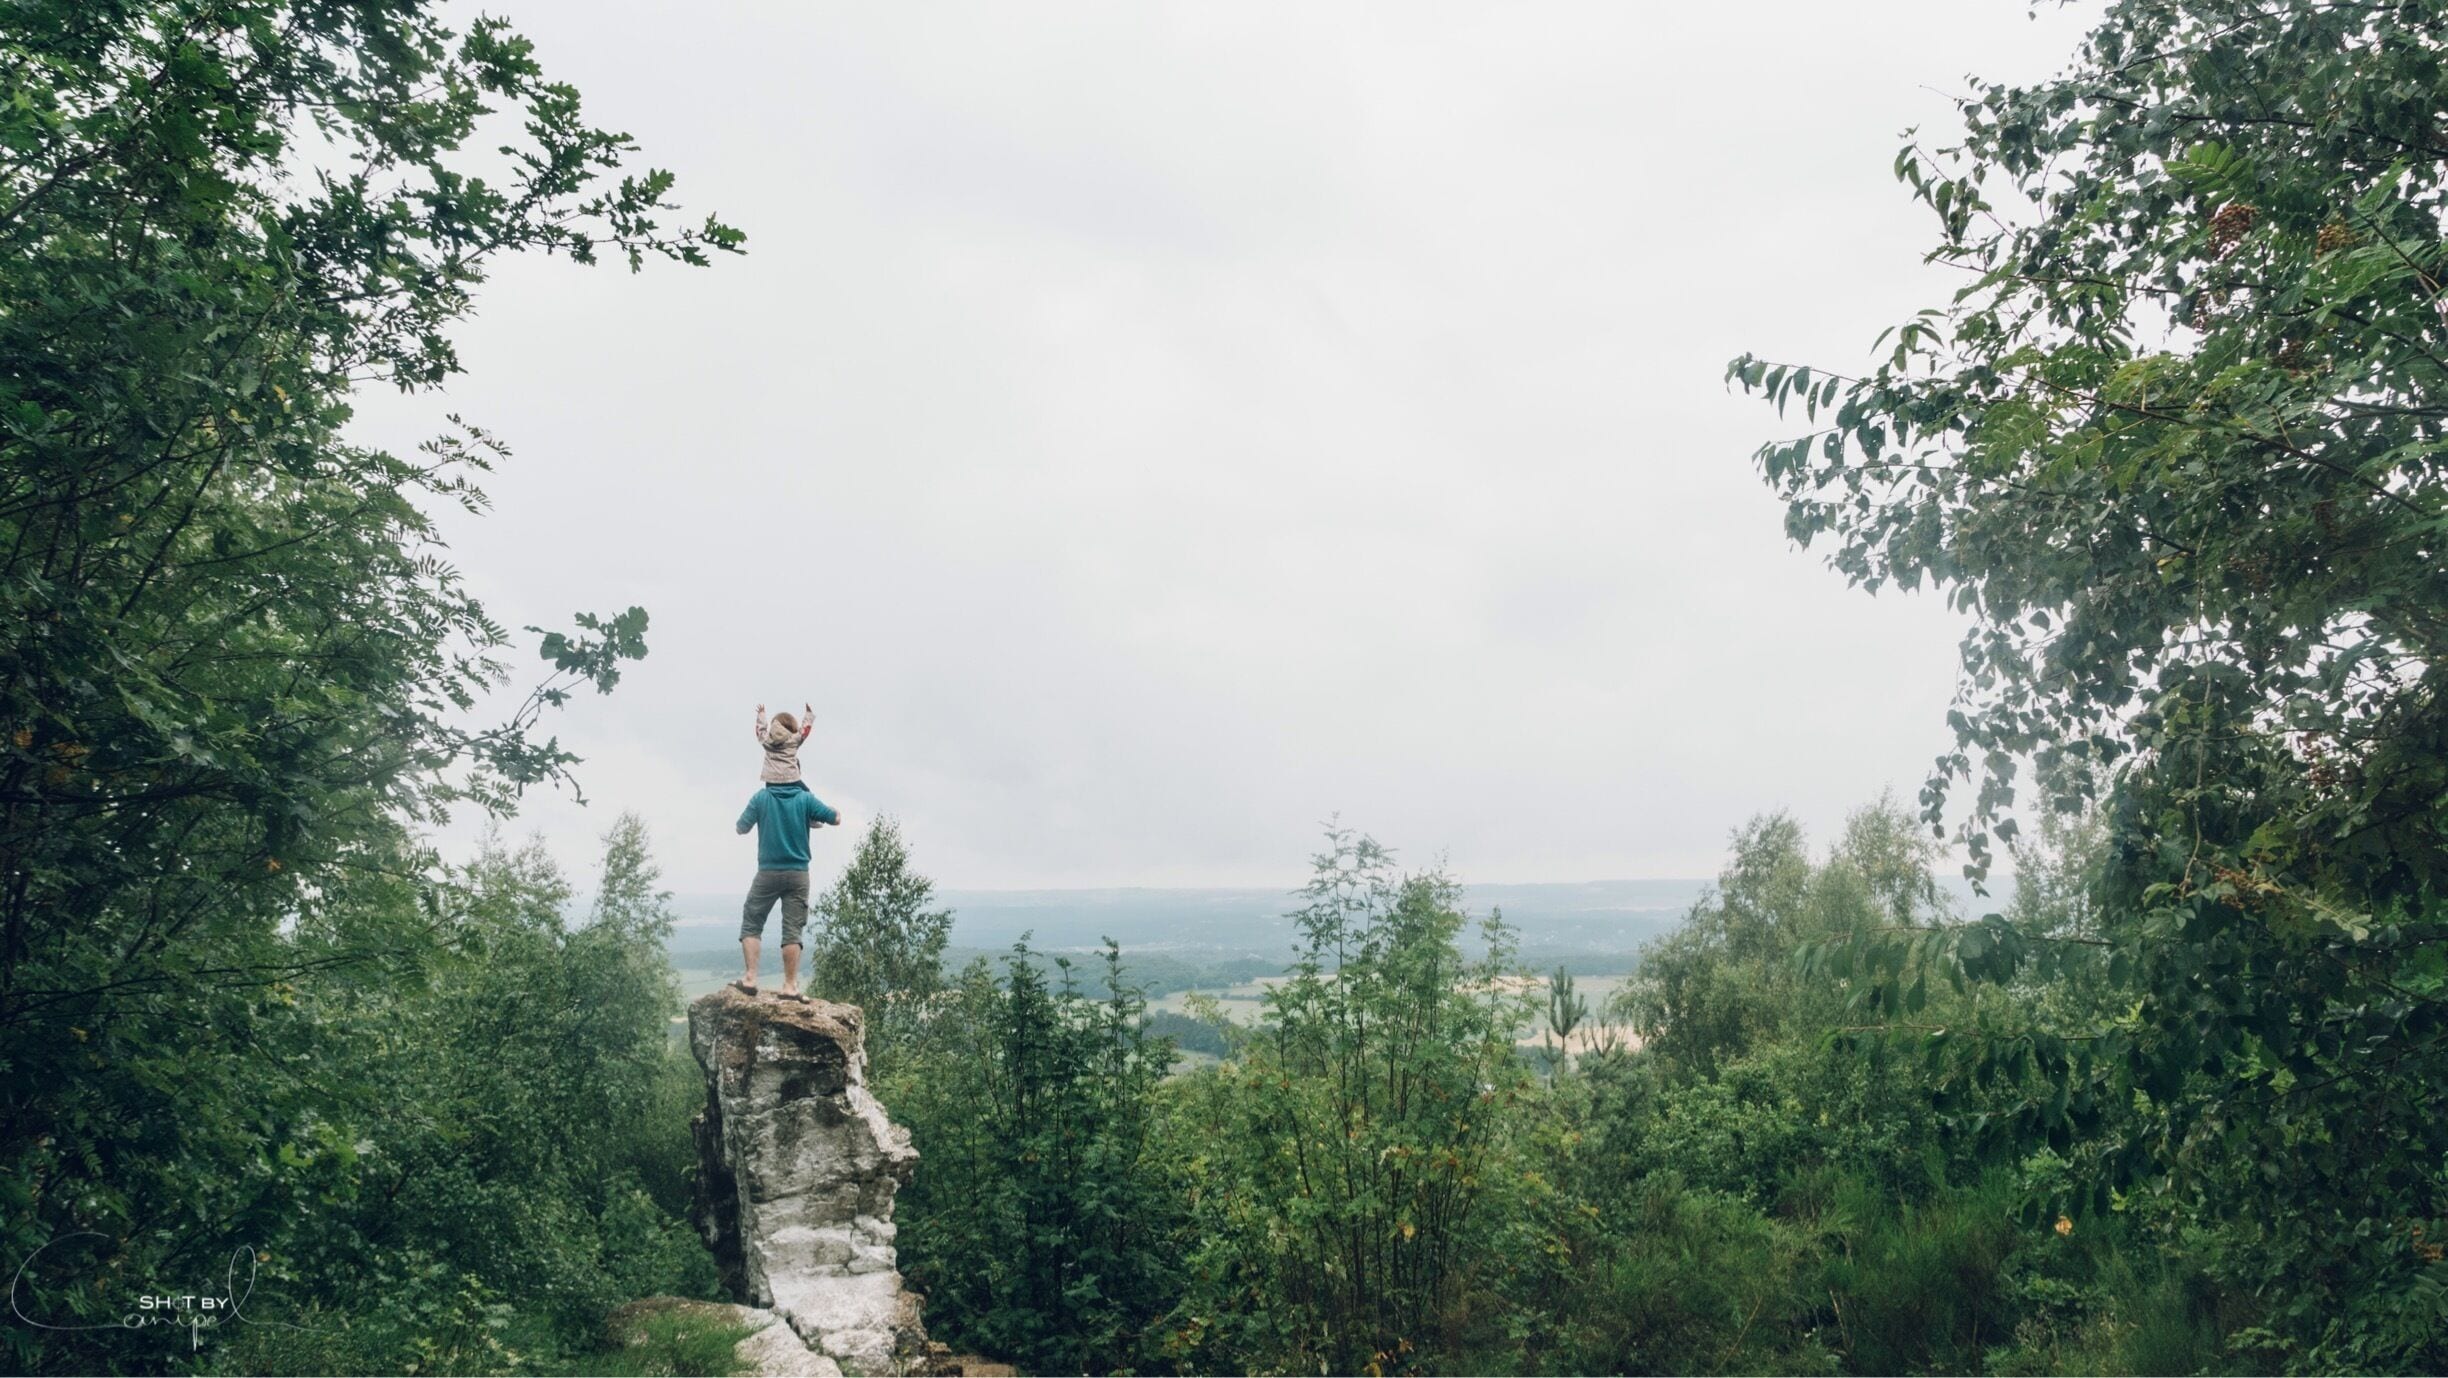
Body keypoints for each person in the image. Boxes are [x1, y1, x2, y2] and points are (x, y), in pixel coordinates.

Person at [733, 772, 841, 1002]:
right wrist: (810, 813)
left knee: (752, 921)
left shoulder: (761, 798)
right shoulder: (805, 799)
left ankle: (750, 978)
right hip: (798, 874)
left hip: (767, 872)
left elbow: (741, 827)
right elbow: (835, 818)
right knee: (793, 929)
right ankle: (790, 986)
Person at [754, 701, 815, 784]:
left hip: (771, 779)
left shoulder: (767, 740)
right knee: (806, 792)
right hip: (791, 778)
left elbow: (760, 732)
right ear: (793, 727)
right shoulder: (794, 740)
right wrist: (809, 715)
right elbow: (805, 730)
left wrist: (761, 715)